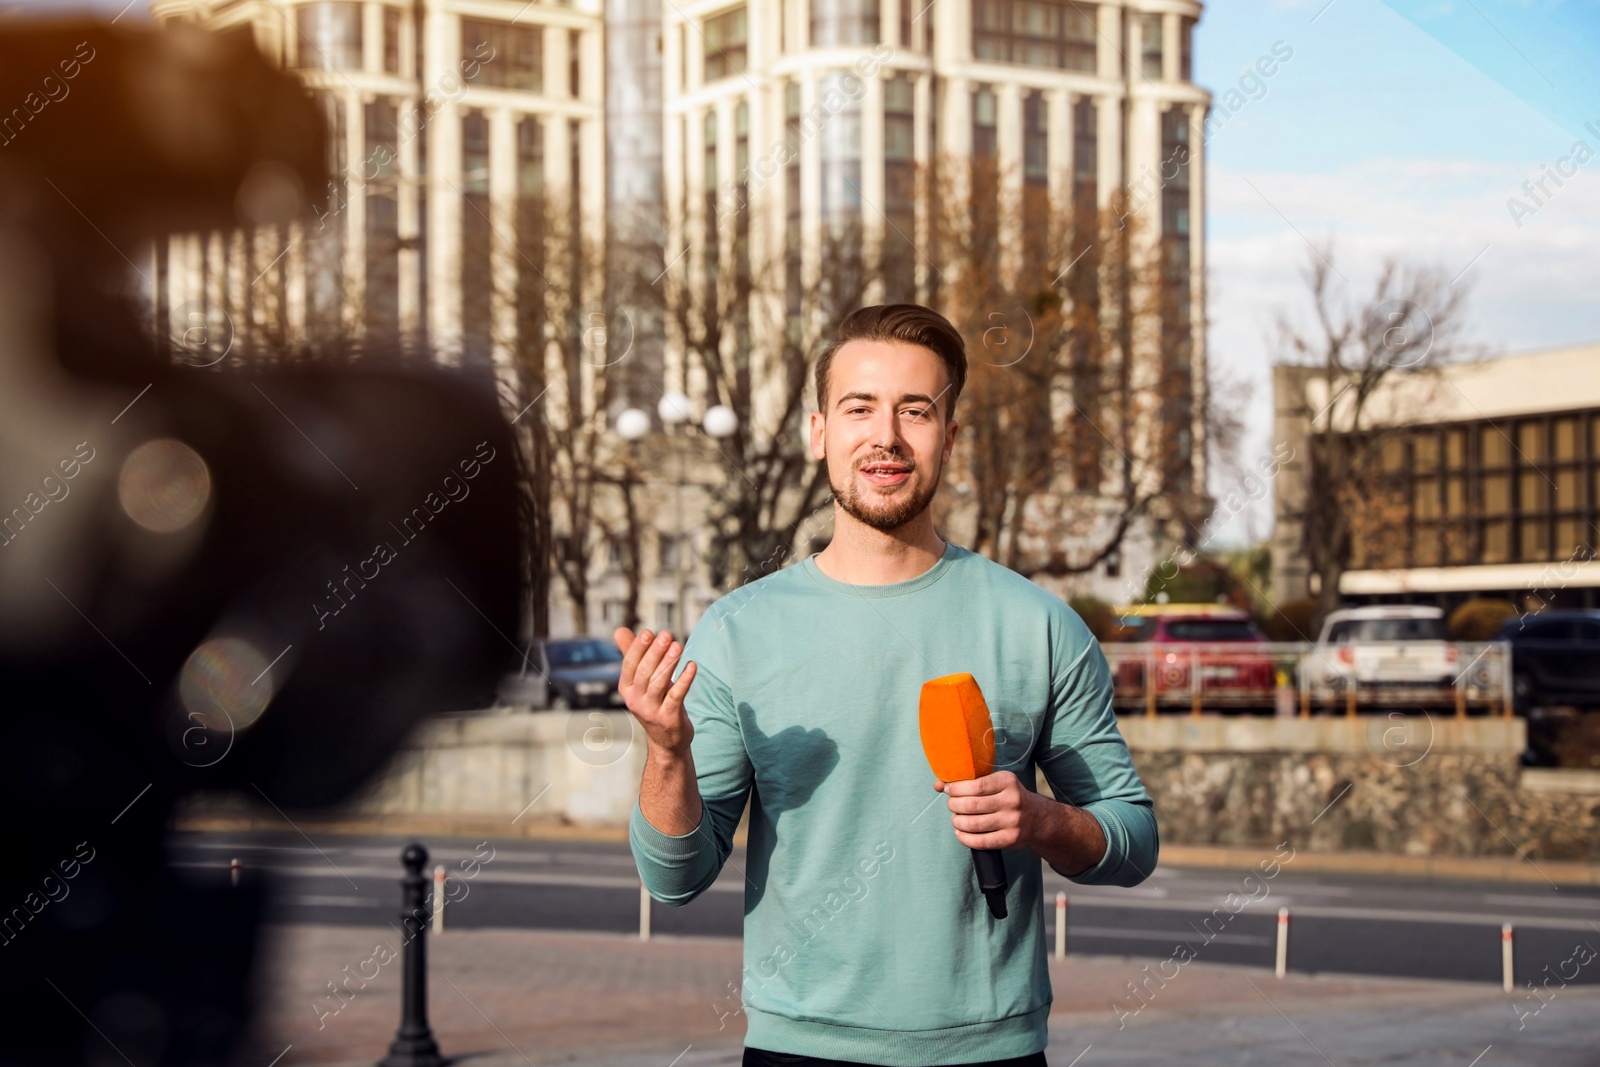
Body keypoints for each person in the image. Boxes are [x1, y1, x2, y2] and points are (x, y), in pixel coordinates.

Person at [616, 304, 1158, 1067]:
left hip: (992, 1051)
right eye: (859, 408)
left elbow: (1133, 841)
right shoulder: (738, 632)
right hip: (799, 1048)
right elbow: (674, 879)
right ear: (818, 432)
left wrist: (1041, 820)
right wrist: (667, 753)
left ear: (952, 438)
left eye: (917, 410)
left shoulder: (1038, 623)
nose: (887, 437)